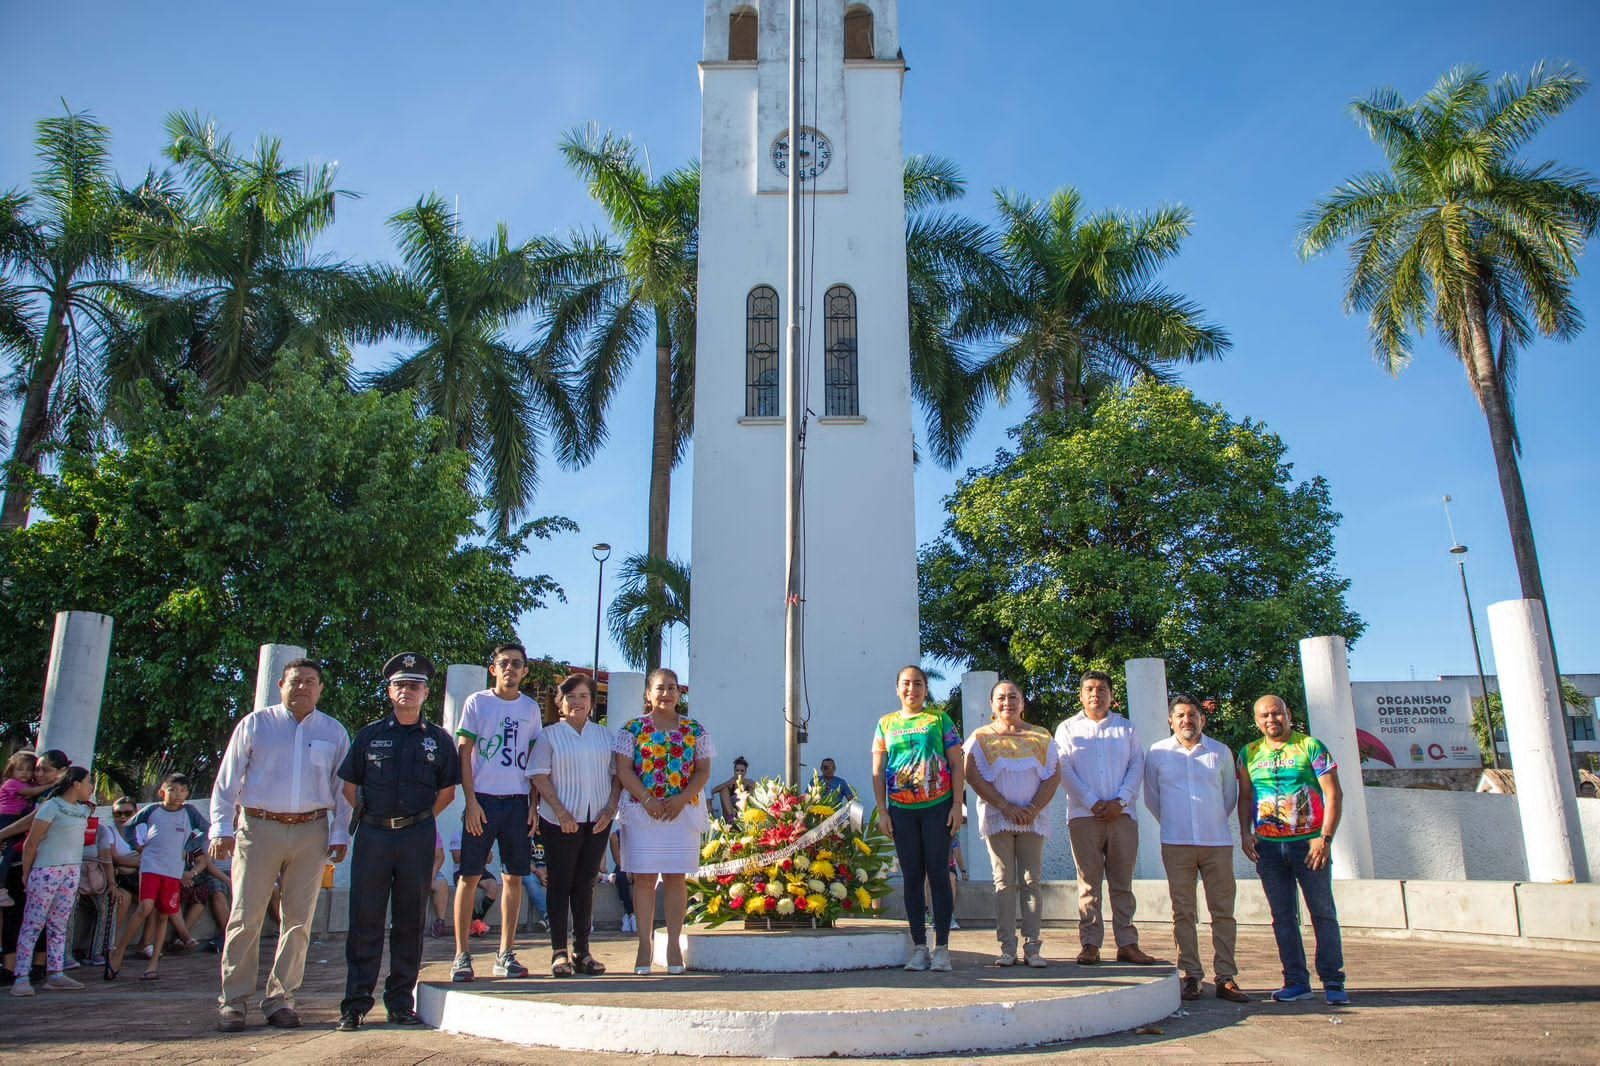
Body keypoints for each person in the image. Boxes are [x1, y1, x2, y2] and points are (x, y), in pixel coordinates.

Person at [207, 656, 350, 1031]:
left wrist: (339, 833)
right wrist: (221, 828)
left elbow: (341, 789)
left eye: (310, 681)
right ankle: (234, 1001)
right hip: (259, 828)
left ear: (320, 688)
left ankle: (281, 997)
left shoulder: (333, 732)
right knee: (245, 915)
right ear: (281, 686)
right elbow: (227, 781)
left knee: (299, 920)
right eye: (295, 680)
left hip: (312, 830)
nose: (302, 686)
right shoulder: (256, 724)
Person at [336, 652, 459, 1031]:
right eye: (400, 685)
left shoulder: (438, 740)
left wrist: (414, 822)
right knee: (365, 920)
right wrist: (381, 819)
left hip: (416, 836)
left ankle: (401, 1002)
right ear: (389, 691)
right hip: (373, 835)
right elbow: (349, 787)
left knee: (409, 920)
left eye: (415, 685)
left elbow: (447, 792)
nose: (407, 691)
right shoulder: (369, 735)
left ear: (426, 693)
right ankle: (356, 1004)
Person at [1238, 694, 1348, 1005]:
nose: (1271, 720)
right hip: (1269, 848)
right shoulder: (1249, 753)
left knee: (1323, 913)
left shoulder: (1310, 746)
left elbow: (1333, 793)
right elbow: (1245, 796)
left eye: (1276, 714)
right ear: (1256, 720)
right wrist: (1245, 834)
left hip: (1308, 844)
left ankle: (1333, 981)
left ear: (1288, 715)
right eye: (1264, 716)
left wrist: (1325, 838)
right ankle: (1296, 980)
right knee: (1283, 917)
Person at [1144, 694, 1249, 1003]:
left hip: (1216, 842)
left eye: (1192, 715)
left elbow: (1229, 795)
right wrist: (1175, 822)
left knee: (1223, 912)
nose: (1186, 720)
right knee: (1183, 912)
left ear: (1202, 719)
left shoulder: (1220, 752)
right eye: (1180, 716)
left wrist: (1209, 821)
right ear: (1170, 721)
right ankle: (1191, 974)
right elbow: (1152, 797)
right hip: (1176, 843)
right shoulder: (1158, 753)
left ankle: (1226, 976)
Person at [613, 667, 715, 975]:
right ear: (648, 693)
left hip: (681, 813)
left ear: (679, 693)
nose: (667, 693)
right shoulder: (631, 729)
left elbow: (702, 771)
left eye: (672, 688)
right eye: (660, 688)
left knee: (675, 877)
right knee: (644, 879)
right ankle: (644, 944)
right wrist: (647, 800)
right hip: (643, 813)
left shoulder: (694, 730)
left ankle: (673, 943)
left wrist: (682, 799)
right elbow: (624, 770)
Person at [450, 642, 540, 983]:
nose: (510, 668)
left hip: (517, 802)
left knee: (514, 877)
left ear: (525, 670)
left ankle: (506, 953)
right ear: (493, 669)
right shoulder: (478, 703)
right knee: (470, 876)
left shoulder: (530, 708)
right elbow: (464, 753)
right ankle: (462, 954)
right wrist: (470, 801)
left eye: (517, 663)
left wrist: (533, 805)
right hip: (483, 801)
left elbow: (534, 761)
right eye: (504, 663)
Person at [1054, 670, 1156, 966]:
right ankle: (1090, 943)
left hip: (1122, 816)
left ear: (1111, 694)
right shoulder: (1068, 729)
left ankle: (1127, 943)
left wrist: (1120, 800)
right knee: (1088, 883)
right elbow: (1064, 768)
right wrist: (1092, 801)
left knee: (1122, 883)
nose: (1095, 694)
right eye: (1089, 689)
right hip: (1083, 817)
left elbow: (1137, 765)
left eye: (1101, 689)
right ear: (1081, 695)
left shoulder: (1126, 729)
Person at [872, 664, 964, 972]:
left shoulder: (939, 720)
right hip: (902, 810)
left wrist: (956, 805)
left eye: (918, 683)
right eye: (906, 684)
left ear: (926, 689)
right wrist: (883, 811)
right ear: (897, 689)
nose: (912, 689)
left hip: (938, 807)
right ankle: (919, 947)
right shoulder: (885, 724)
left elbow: (957, 764)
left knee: (938, 874)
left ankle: (943, 948)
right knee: (911, 878)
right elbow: (878, 770)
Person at [963, 680, 1060, 967]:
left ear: (1022, 702)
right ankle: (1007, 946)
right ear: (992, 705)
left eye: (1013, 697)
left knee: (1031, 881)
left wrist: (1032, 808)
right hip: (998, 818)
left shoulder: (1041, 736)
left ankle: (1033, 946)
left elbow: (1053, 775)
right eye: (1001, 698)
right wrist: (1005, 806)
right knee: (1004, 882)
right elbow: (972, 775)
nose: (1008, 702)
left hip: (1033, 818)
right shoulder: (981, 737)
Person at [531, 672, 621, 976]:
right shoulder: (549, 736)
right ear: (560, 703)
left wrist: (610, 809)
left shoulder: (604, 736)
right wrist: (561, 812)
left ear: (592, 703)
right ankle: (559, 952)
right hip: (560, 822)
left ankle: (582, 951)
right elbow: (539, 775)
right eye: (571, 696)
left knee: (586, 884)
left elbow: (616, 776)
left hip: (596, 821)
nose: (577, 702)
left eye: (584, 696)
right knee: (559, 884)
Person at [108, 772, 207, 981]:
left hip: (174, 868)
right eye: (173, 790)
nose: (178, 794)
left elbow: (207, 830)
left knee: (163, 914)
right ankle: (119, 951)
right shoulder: (153, 809)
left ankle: (153, 965)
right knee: (145, 907)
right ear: (162, 791)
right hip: (151, 864)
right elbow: (129, 827)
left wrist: (189, 847)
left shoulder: (189, 812)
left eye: (182, 790)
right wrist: (137, 846)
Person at [9, 766, 95, 997]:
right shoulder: (51, 807)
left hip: (71, 871)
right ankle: (21, 975)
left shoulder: (81, 810)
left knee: (59, 924)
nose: (90, 787)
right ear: (76, 784)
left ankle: (55, 972)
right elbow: (31, 844)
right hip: (46, 870)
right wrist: (27, 874)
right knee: (33, 923)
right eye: (88, 782)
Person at [606, 826, 635, 932]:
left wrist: (632, 869)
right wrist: (627, 869)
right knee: (621, 877)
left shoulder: (640, 834)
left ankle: (630, 915)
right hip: (622, 867)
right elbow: (617, 859)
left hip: (636, 866)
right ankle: (631, 915)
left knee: (640, 878)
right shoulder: (615, 836)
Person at [520, 831, 549, 933]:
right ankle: (548, 916)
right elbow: (522, 860)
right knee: (529, 879)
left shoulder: (550, 833)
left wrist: (546, 872)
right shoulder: (524, 835)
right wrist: (538, 873)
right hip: (533, 871)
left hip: (549, 870)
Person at [711, 757, 750, 823]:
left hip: (743, 815)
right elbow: (713, 791)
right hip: (729, 817)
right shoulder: (731, 783)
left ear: (745, 771)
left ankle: (741, 819)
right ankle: (732, 818)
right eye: (737, 770)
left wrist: (745, 782)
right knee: (724, 790)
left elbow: (758, 788)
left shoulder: (748, 783)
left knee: (751, 789)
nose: (739, 773)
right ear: (734, 771)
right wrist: (729, 782)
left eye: (742, 771)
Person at [428, 829, 452, 938]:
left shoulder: (432, 832)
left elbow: (440, 856)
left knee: (442, 883)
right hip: (408, 871)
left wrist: (432, 873)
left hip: (428, 871)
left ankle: (440, 922)